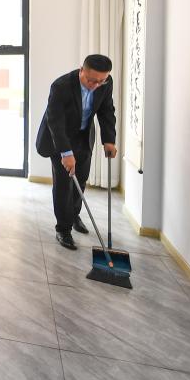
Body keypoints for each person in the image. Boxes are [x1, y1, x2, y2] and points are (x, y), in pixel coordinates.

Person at [36, 54, 117, 250]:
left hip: (83, 136)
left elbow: (106, 110)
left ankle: (73, 216)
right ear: (81, 70)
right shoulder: (61, 86)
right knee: (64, 184)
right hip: (59, 138)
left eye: (100, 81)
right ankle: (63, 229)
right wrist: (66, 153)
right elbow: (55, 121)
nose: (95, 85)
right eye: (91, 80)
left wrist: (109, 140)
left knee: (80, 179)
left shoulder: (105, 82)